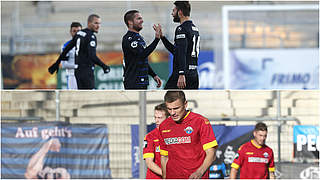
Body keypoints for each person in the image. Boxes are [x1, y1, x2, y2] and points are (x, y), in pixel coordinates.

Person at [159, 91, 218, 179]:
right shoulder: (163, 126)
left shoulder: (200, 121)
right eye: (169, 109)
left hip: (195, 177)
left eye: (176, 108)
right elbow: (164, 157)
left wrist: (199, 172)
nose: (172, 113)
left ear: (185, 104)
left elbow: (211, 154)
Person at [49, 14, 110, 89]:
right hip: (86, 71)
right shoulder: (90, 36)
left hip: (77, 72)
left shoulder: (79, 34)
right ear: (89, 23)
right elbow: (92, 56)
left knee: (80, 95)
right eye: (96, 23)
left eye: (99, 23)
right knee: (90, 95)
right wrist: (104, 66)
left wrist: (56, 63)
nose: (98, 26)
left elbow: (66, 49)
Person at [160, 1, 200, 89]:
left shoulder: (181, 29)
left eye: (174, 11)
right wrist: (162, 37)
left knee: (167, 98)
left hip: (182, 75)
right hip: (194, 74)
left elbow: (182, 52)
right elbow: (176, 51)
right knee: (188, 101)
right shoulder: (195, 29)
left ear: (180, 12)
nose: (172, 13)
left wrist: (181, 73)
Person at [122, 10, 162, 89]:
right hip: (134, 82)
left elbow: (142, 60)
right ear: (130, 22)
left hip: (141, 81)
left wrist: (154, 75)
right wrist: (156, 39)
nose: (142, 21)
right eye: (139, 19)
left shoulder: (138, 37)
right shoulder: (129, 38)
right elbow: (142, 54)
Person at [143, 103, 170, 179]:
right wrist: (166, 174)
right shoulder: (150, 137)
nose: (156, 121)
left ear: (168, 118)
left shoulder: (175, 134)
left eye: (160, 118)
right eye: (155, 117)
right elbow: (149, 163)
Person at [61, 22, 82, 90]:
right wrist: (77, 66)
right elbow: (64, 64)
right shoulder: (66, 46)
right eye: (74, 31)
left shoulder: (87, 45)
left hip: (85, 75)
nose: (76, 33)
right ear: (70, 32)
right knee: (74, 97)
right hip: (72, 76)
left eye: (78, 31)